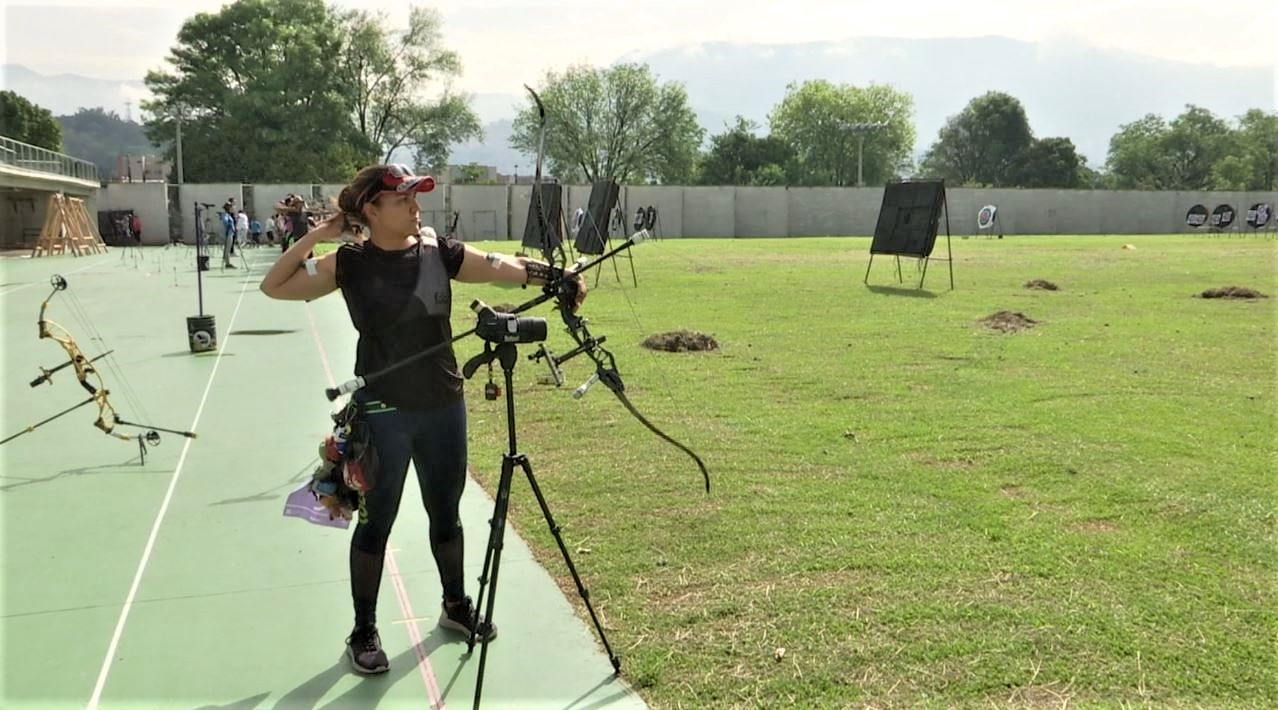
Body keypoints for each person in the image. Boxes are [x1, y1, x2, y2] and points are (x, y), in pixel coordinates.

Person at [258, 163, 586, 675]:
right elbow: (275, 286)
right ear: (371, 209)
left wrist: (555, 276)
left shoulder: (439, 250)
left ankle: (455, 606)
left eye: (417, 198)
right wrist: (321, 233)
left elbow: (500, 264)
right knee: (376, 523)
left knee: (446, 514)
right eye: (403, 200)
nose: (416, 207)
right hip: (381, 414)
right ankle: (363, 630)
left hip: (442, 407)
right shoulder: (349, 262)